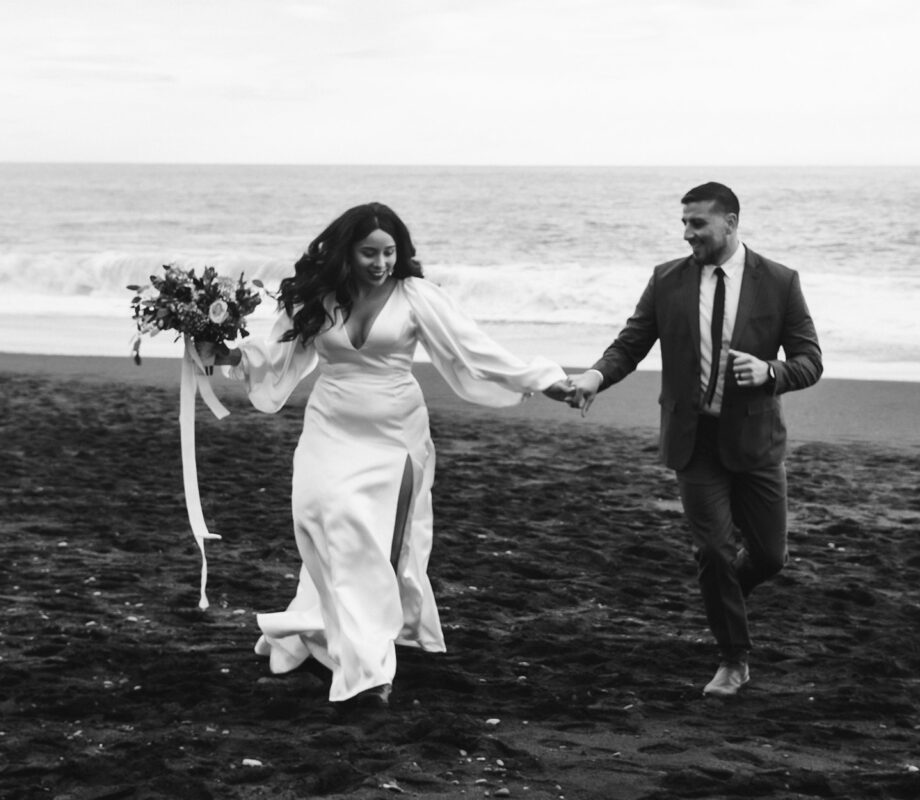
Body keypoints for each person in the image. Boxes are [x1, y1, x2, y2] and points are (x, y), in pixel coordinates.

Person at [199, 202, 570, 708]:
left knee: (364, 538)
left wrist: (544, 380)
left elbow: (474, 349)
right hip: (329, 426)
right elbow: (278, 357)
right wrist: (228, 354)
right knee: (317, 519)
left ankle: (370, 668)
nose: (381, 263)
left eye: (390, 252)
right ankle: (334, 629)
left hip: (394, 434)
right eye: (369, 252)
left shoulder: (416, 296)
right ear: (346, 252)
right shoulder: (318, 298)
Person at [561, 182, 822, 697]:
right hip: (692, 439)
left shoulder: (780, 282)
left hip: (755, 441)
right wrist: (594, 376)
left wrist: (770, 372)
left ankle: (723, 598)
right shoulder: (666, 281)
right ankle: (733, 660)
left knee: (769, 557)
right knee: (715, 552)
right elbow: (630, 343)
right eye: (684, 223)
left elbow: (810, 360)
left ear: (730, 222)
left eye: (698, 224)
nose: (688, 234)